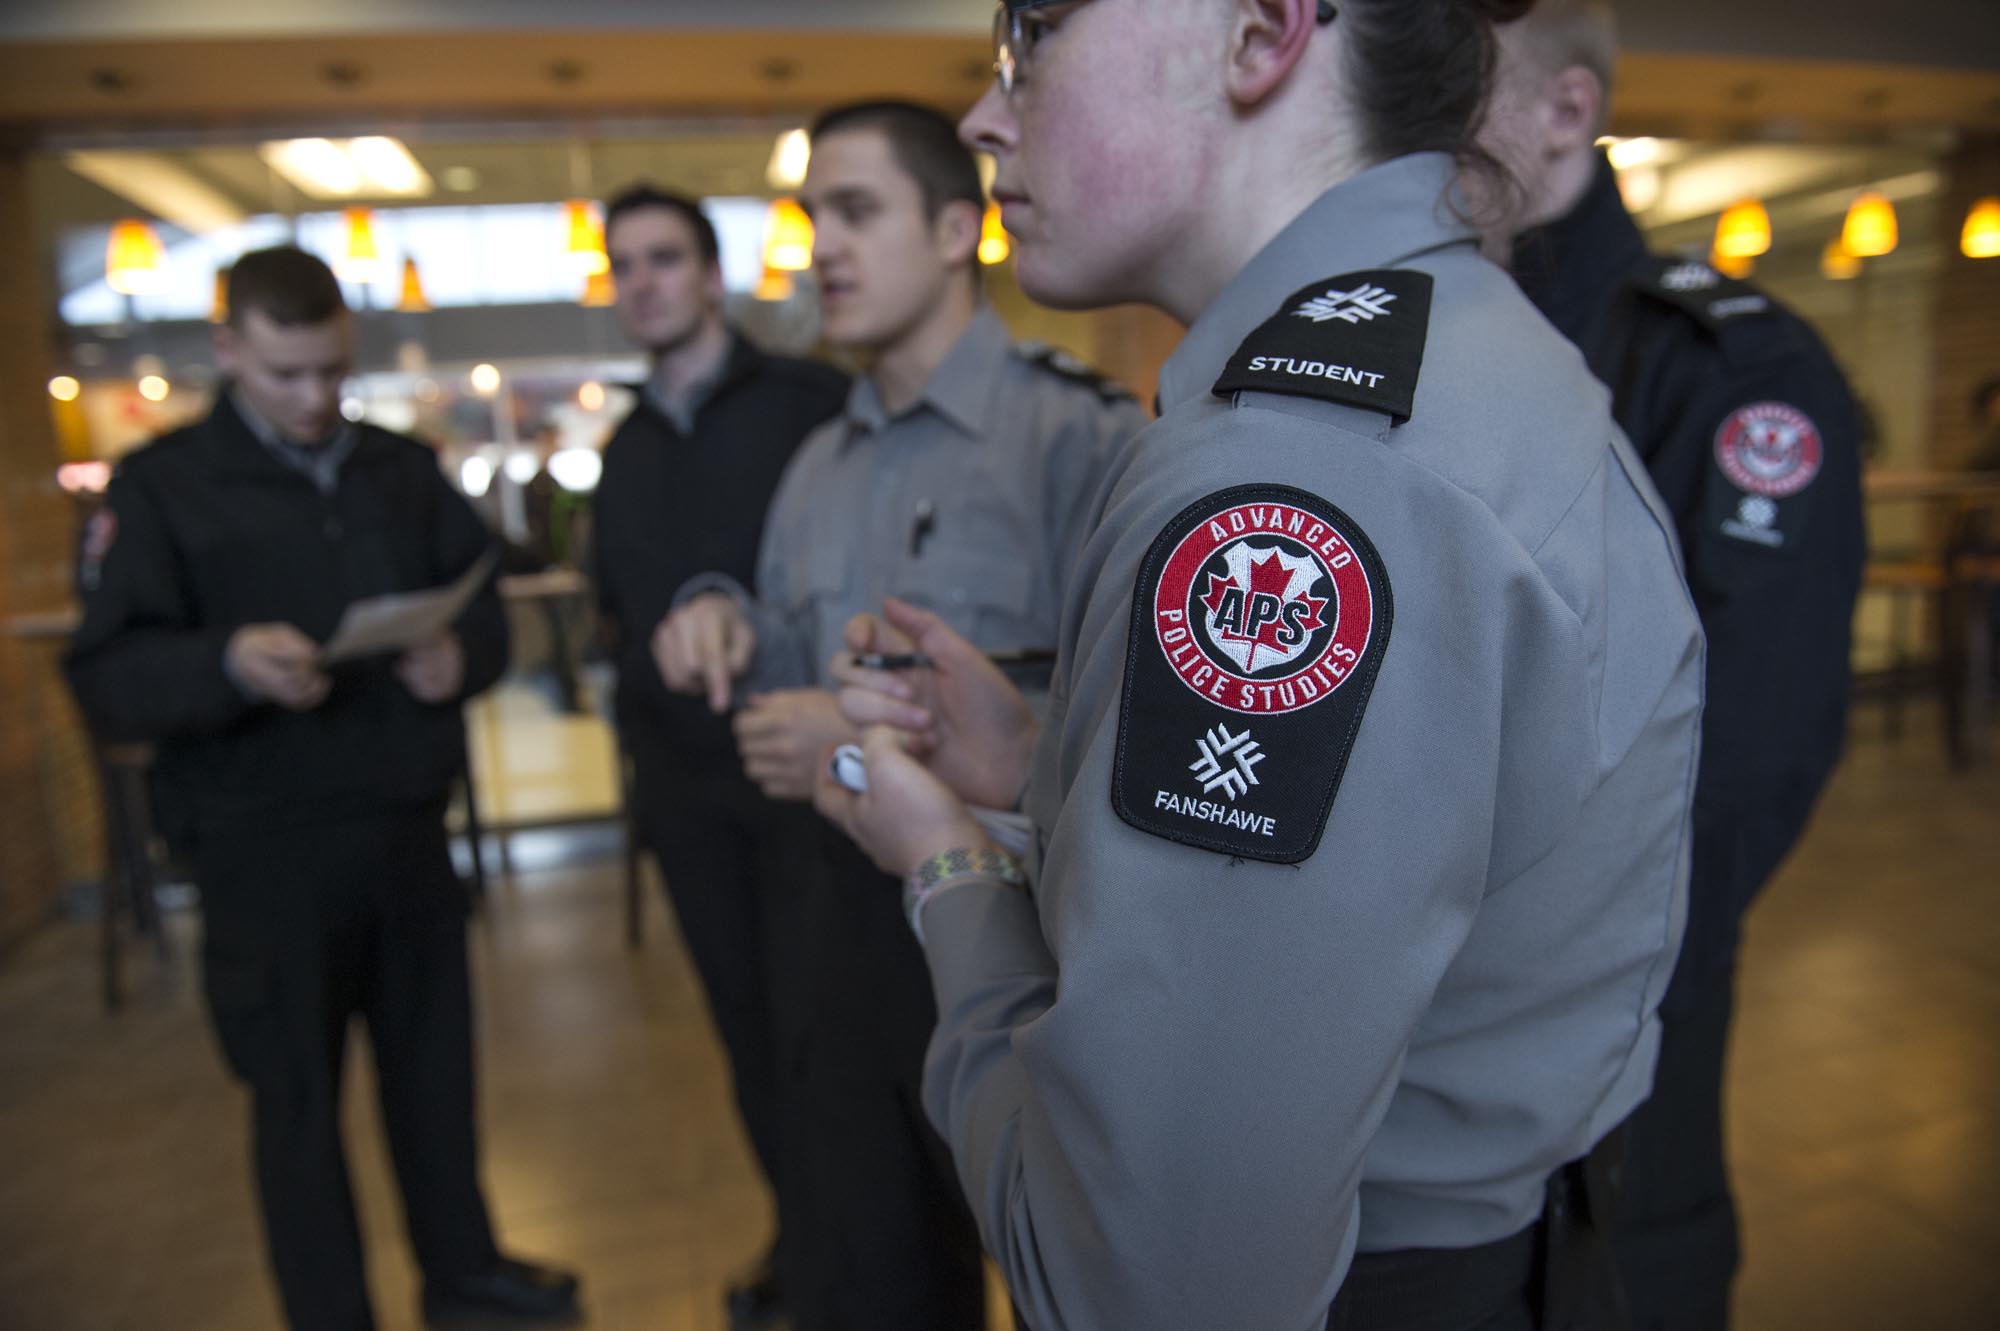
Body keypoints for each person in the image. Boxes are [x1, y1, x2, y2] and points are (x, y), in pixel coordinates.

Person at [814, 2, 1704, 1328]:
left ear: (1262, 30)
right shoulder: (1459, 351)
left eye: (1035, 31)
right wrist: (1056, 768)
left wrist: (952, 867)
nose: (985, 114)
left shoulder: (1300, 459)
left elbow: (1145, 1277)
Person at [652, 100, 1143, 1331]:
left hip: (1016, 949)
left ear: (950, 229)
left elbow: (1125, 729)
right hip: (831, 945)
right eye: (811, 215)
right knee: (867, 1281)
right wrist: (719, 621)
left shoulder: (1074, 436)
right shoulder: (817, 462)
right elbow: (781, 636)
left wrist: (874, 738)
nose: (821, 245)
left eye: (855, 212)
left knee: (1066, 1288)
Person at [63, 246, 578, 1331]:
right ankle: (330, 1308)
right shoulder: (162, 488)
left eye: (330, 372)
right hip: (260, 851)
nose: (312, 399)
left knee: (434, 1081)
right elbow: (106, 673)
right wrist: (225, 665)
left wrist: (463, 658)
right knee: (295, 1105)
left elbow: (482, 596)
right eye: (285, 375)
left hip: (402, 830)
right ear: (228, 350)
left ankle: (465, 1272)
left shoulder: (396, 467)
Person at [1479, 7, 1866, 1326]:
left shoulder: (1723, 365)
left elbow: (1751, 753)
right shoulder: (1408, 346)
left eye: (1448, 93)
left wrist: (1567, 1003)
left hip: (1610, 1043)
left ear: (1565, 110)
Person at [590, 182, 849, 1329]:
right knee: (744, 1028)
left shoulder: (808, 405)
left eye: (663, 259)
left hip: (807, 778)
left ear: (707, 274)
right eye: (625, 265)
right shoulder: (622, 449)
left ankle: (862, 1246)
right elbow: (618, 614)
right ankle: (800, 1233)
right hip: (688, 791)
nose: (643, 281)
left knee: (832, 1025)